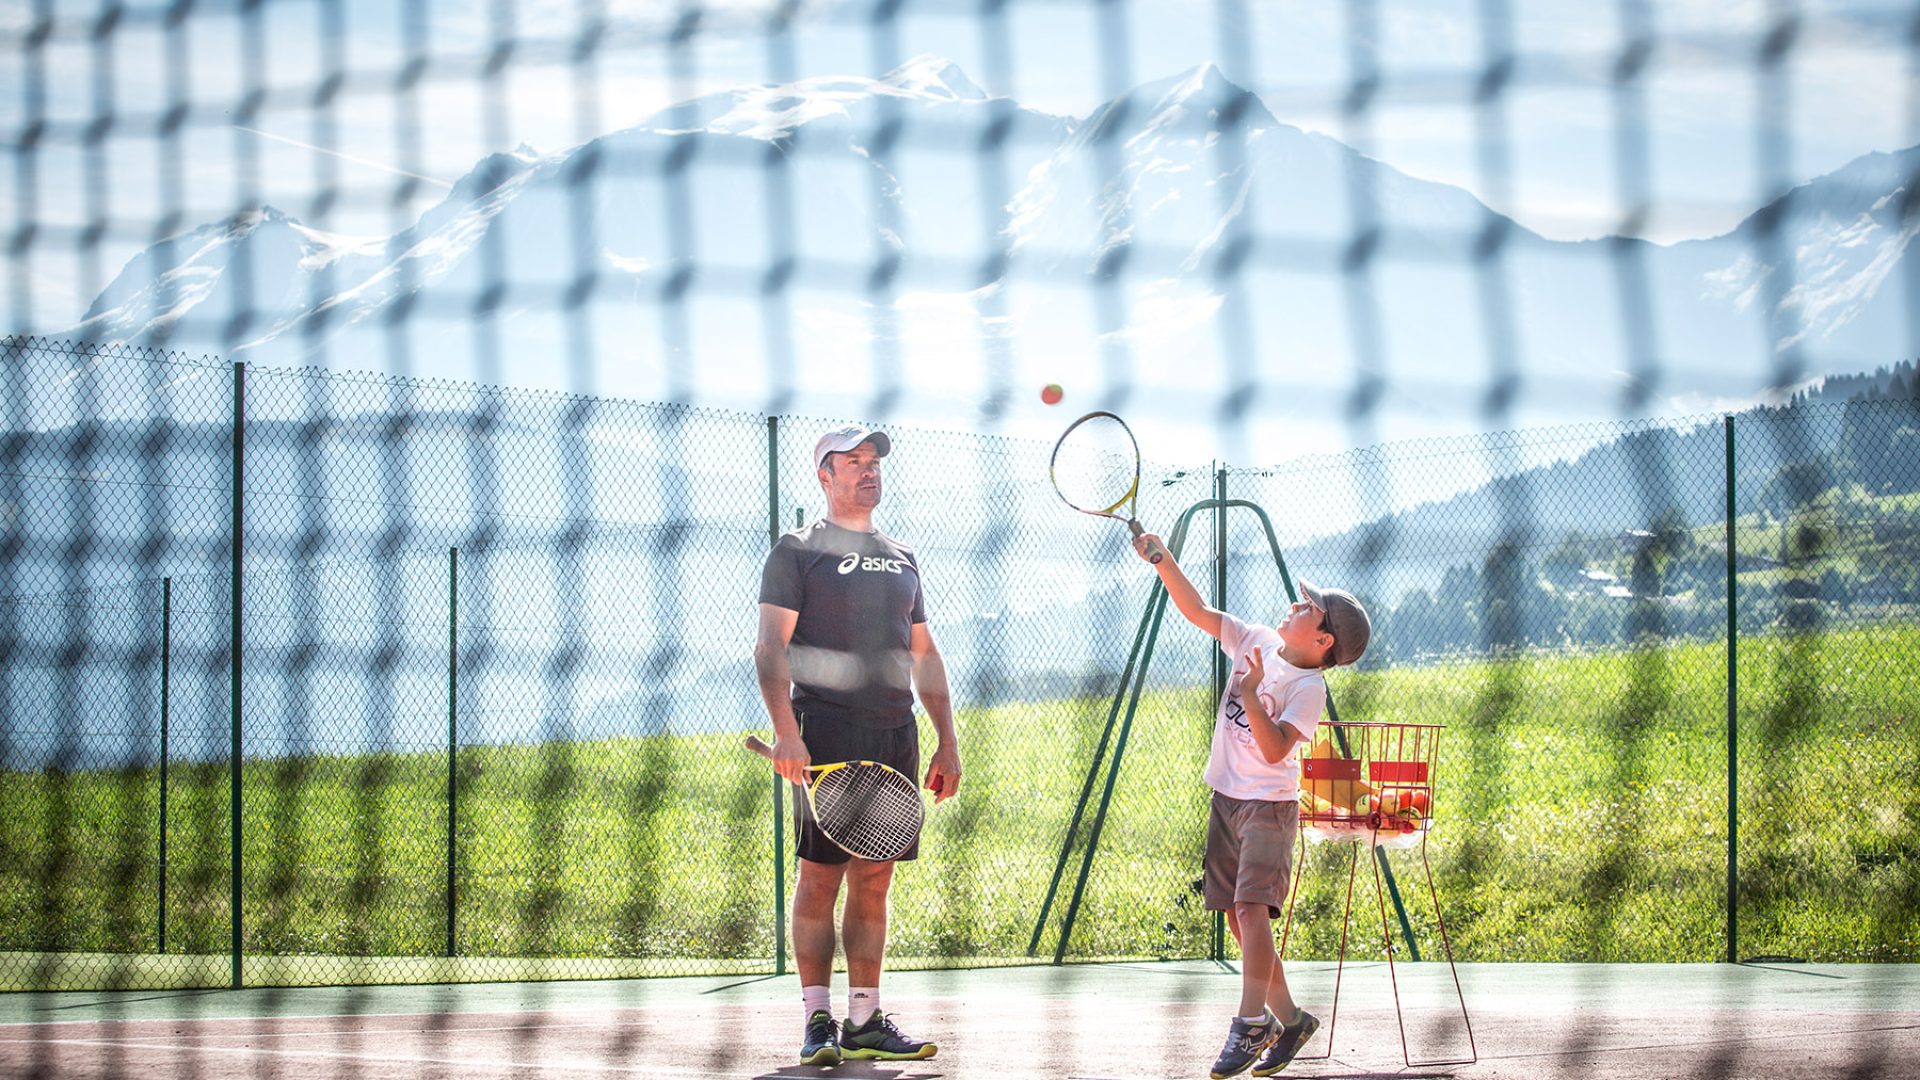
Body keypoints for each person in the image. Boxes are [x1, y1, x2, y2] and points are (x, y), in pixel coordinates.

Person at [755, 423, 963, 1067]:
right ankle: (818, 1019)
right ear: (825, 475)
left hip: (895, 733)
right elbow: (770, 646)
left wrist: (946, 739)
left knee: (874, 880)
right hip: (826, 731)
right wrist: (788, 731)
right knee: (820, 879)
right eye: (853, 461)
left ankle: (865, 1019)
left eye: (874, 460)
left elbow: (923, 655)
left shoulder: (904, 556)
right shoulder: (797, 550)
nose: (869, 469)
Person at [1131, 531, 1370, 1079]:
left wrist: (1249, 694)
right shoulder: (1256, 638)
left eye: (1309, 608)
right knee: (1243, 923)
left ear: (1324, 641)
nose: (1295, 605)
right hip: (1227, 801)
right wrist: (1163, 559)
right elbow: (1195, 609)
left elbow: (1273, 749)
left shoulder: (1308, 689)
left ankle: (1249, 1021)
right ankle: (1290, 1018)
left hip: (1269, 807)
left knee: (1250, 911)